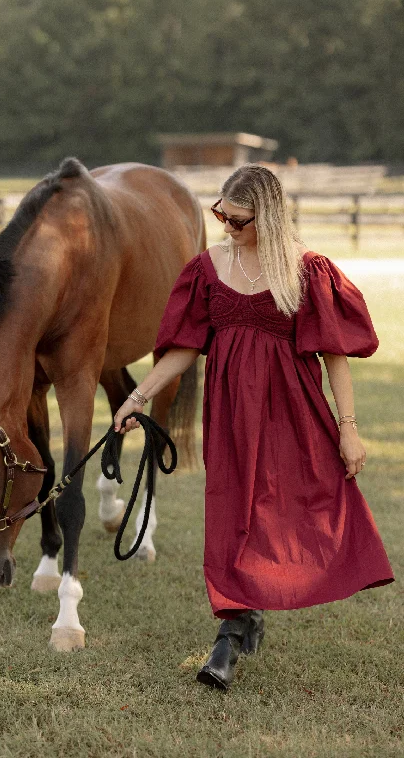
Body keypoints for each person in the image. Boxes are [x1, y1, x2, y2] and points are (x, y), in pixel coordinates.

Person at [113, 164, 394, 691]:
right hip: (230, 414)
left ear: (266, 215)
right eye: (220, 214)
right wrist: (135, 398)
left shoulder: (305, 270)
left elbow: (335, 356)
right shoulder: (206, 268)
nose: (225, 226)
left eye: (237, 219)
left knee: (286, 510)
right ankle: (231, 629)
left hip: (294, 411)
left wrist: (348, 428)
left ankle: (247, 611)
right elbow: (183, 348)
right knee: (230, 511)